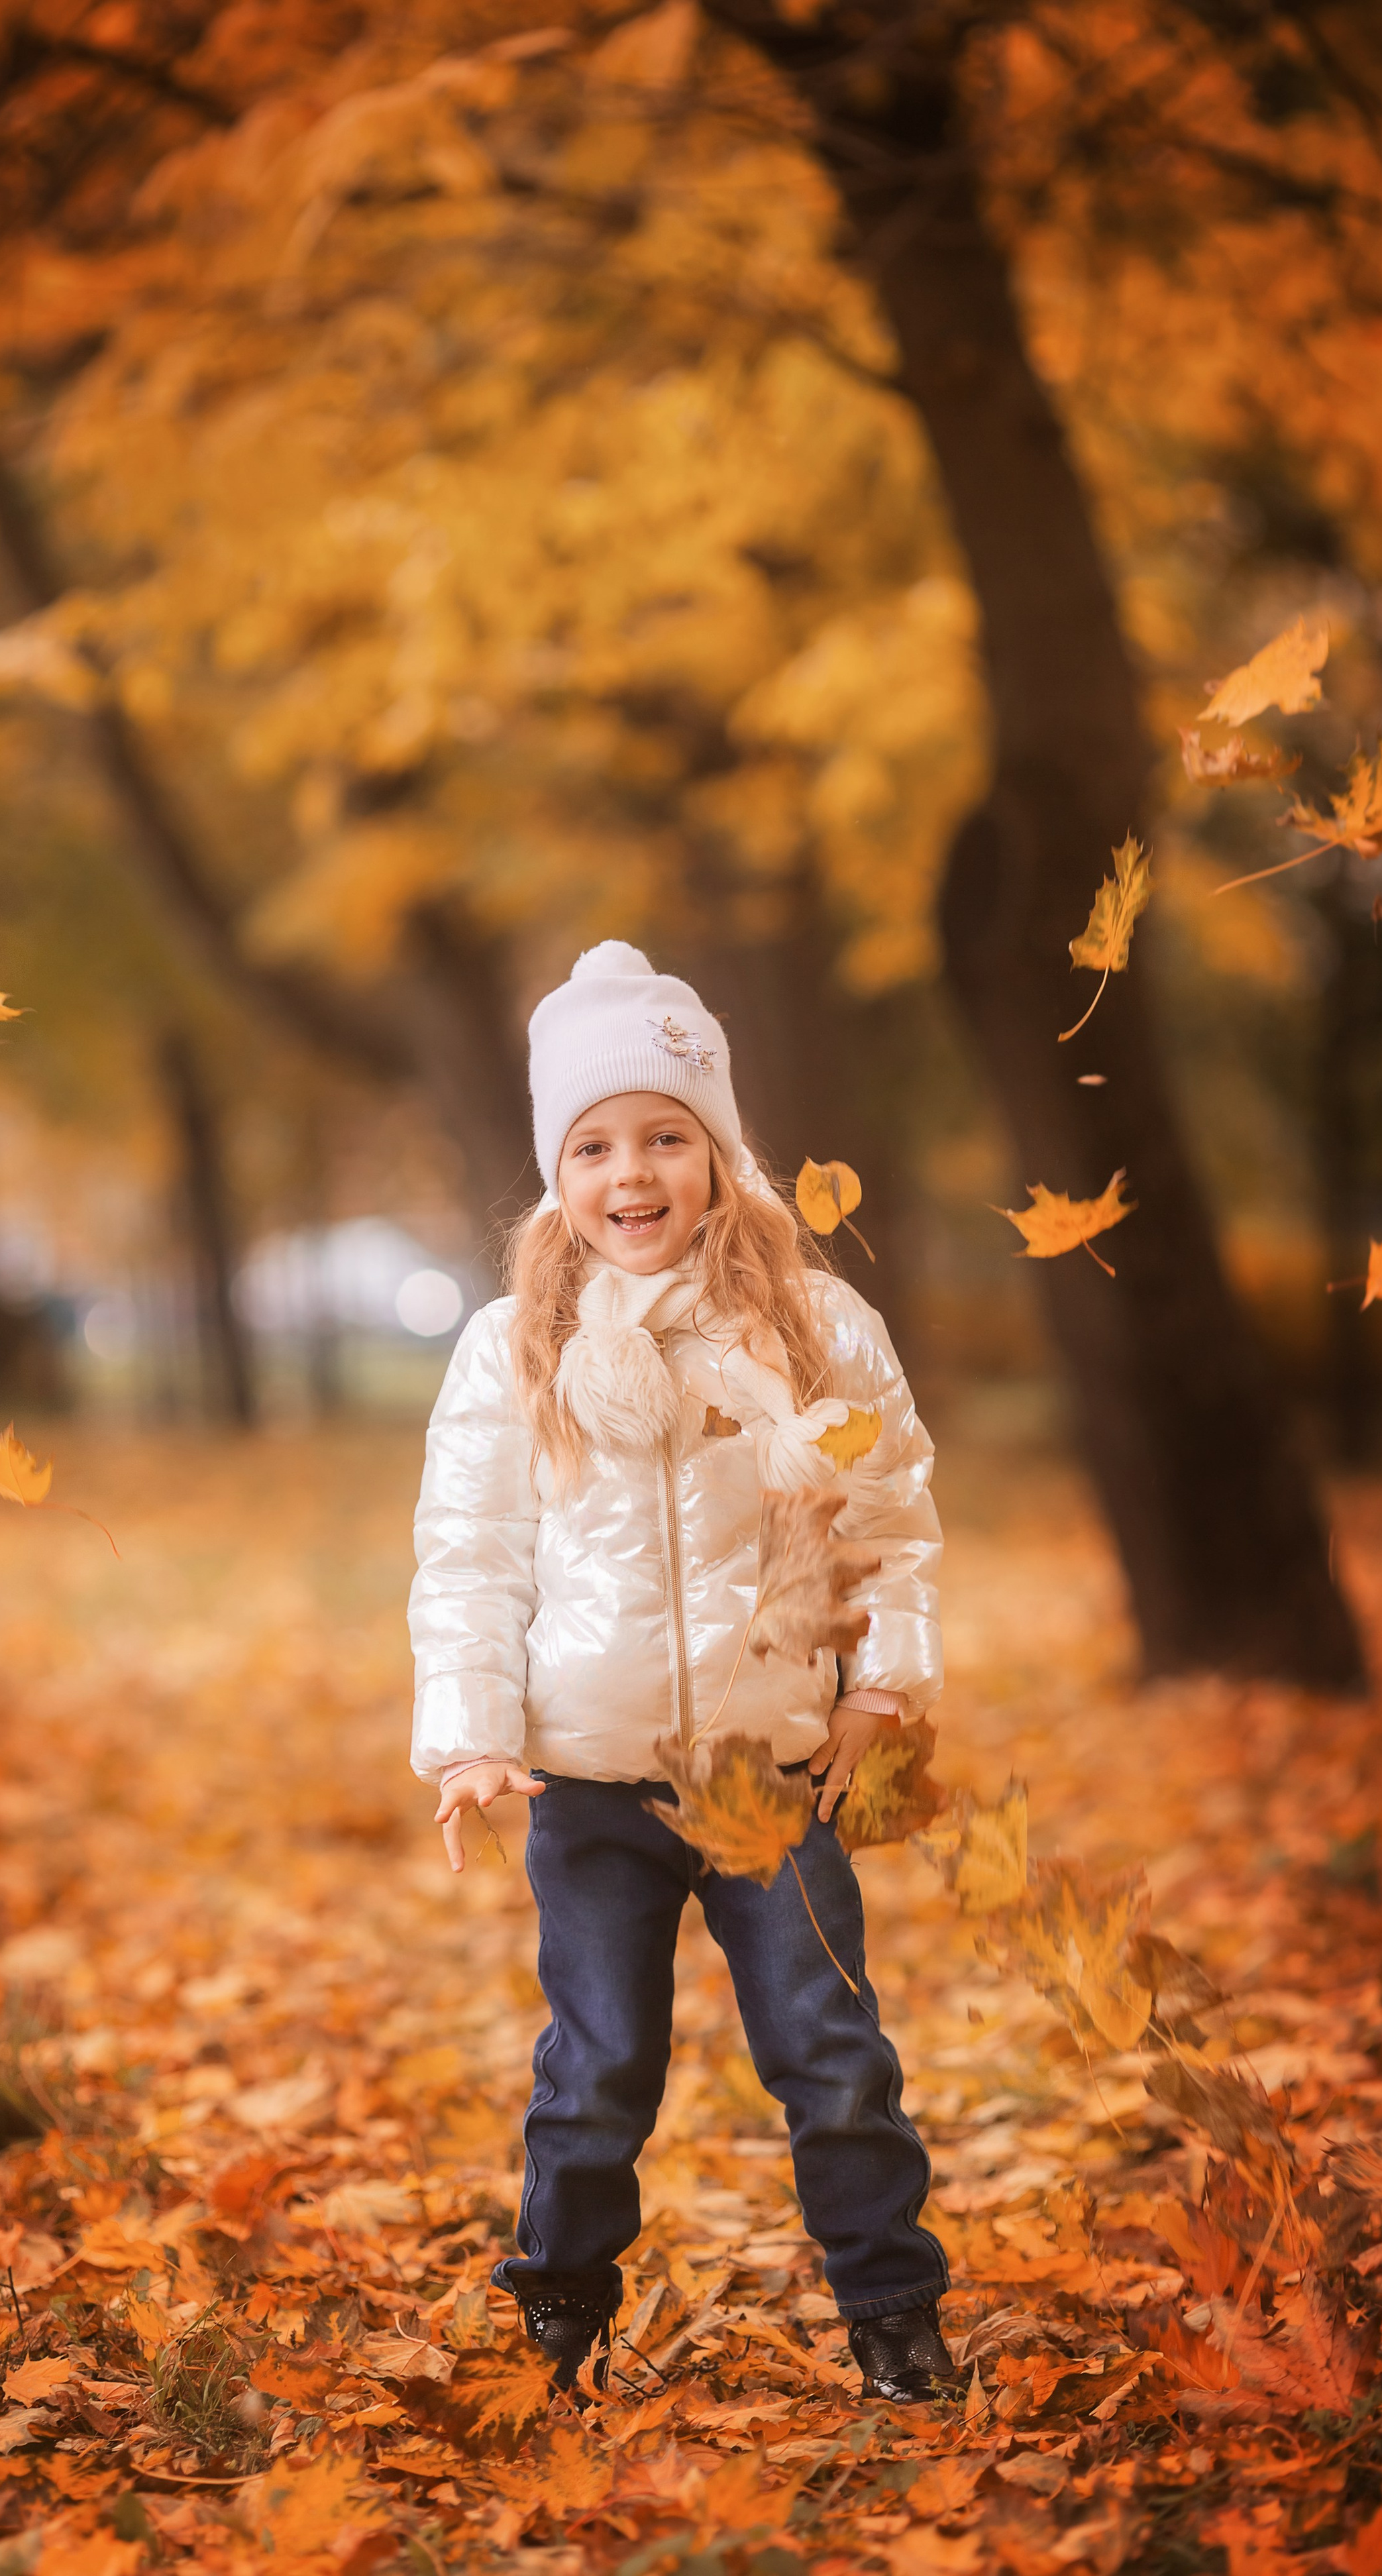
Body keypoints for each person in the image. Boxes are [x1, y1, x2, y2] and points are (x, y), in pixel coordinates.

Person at [408, 943, 959, 2403]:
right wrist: (466, 1735)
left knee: (830, 2049)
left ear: (717, 1155)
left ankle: (892, 2310)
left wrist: (882, 1686)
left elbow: (890, 1522)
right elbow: (470, 1558)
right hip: (585, 1780)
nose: (629, 1172)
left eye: (664, 1136)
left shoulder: (812, 1328)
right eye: (592, 1145)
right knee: (595, 2076)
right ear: (556, 1176)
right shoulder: (510, 1351)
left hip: (767, 1772)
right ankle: (559, 2304)